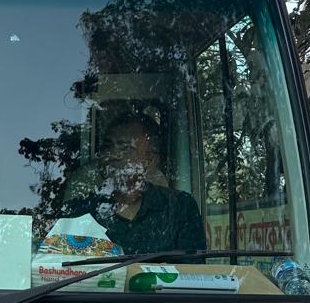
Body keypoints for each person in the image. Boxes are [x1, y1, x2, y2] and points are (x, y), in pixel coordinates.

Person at [62, 108, 205, 257]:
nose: (113, 155)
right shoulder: (78, 213)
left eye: (126, 148)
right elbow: (61, 265)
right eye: (108, 146)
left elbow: (193, 269)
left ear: (149, 160)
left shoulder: (180, 208)